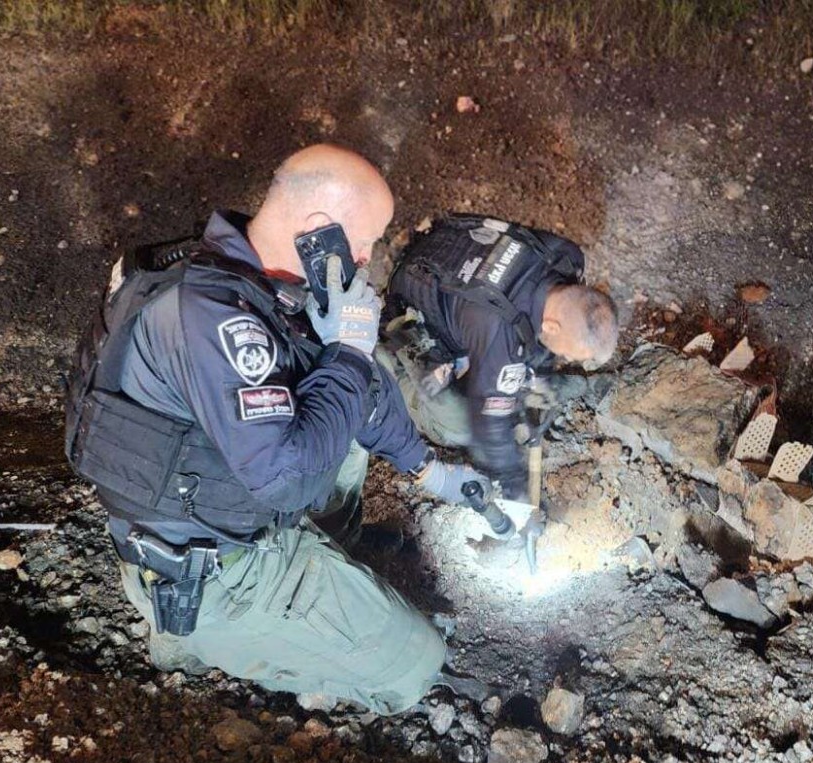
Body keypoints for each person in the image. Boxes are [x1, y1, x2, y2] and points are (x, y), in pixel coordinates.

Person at [64, 144, 487, 715]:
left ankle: (321, 571)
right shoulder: (210, 314)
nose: (367, 257)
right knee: (419, 662)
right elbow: (288, 480)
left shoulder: (255, 274)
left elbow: (361, 392)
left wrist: (428, 470)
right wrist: (347, 351)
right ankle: (197, 640)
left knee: (347, 392)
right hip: (214, 570)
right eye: (365, 240)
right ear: (319, 227)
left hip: (236, 486)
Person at [380, 214, 619, 501]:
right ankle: (384, 368)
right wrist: (514, 482)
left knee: (519, 377)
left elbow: (537, 331)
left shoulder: (564, 257)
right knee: (457, 426)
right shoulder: (498, 330)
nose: (566, 358)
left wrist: (541, 376)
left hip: (450, 257)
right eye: (568, 353)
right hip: (414, 299)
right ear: (552, 326)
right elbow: (489, 427)